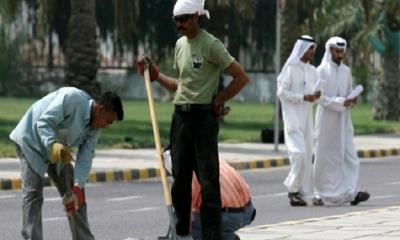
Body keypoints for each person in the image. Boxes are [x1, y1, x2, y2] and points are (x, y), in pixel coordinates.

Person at [137, 0, 249, 238]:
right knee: (180, 182)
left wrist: (218, 101)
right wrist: (155, 74)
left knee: (208, 183)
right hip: (181, 118)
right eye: (176, 20)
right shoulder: (180, 45)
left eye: (184, 19)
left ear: (197, 16)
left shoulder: (211, 44)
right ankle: (181, 232)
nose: (179, 25)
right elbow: (180, 86)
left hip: (203, 120)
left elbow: (240, 77)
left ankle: (212, 236)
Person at [10, 87, 124, 240]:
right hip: (31, 140)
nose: (107, 126)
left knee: (77, 198)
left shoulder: (94, 127)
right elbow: (43, 122)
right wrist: (53, 145)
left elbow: (85, 158)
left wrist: (77, 186)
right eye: (108, 121)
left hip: (59, 151)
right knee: (33, 196)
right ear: (100, 110)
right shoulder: (71, 99)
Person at [313, 36, 370, 206]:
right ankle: (319, 193)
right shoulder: (321, 70)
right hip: (326, 120)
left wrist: (352, 99)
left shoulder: (346, 71)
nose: (339, 55)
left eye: (342, 52)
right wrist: (339, 102)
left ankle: (351, 193)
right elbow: (318, 98)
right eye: (337, 51)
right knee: (324, 157)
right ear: (329, 50)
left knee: (350, 157)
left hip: (344, 120)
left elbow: (349, 91)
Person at [163, 148, 256, 240]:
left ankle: (226, 238)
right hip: (248, 212)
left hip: (230, 217)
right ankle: (224, 234)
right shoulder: (210, 156)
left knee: (189, 228)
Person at [277, 35, 321, 207]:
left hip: (307, 120)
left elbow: (314, 95)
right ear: (303, 48)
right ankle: (292, 189)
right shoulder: (290, 68)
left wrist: (315, 97)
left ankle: (298, 191)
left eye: (314, 49)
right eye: (311, 49)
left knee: (307, 154)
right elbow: (281, 93)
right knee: (299, 154)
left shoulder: (313, 71)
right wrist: (302, 97)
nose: (313, 52)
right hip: (293, 118)